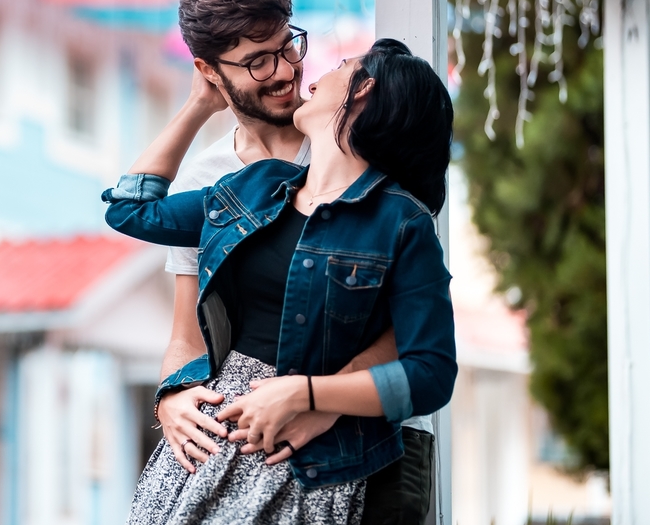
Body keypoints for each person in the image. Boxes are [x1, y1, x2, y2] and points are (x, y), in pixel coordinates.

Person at [102, 32, 457, 524]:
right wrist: (199, 106)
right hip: (203, 452)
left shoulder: (403, 223)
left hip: (307, 462)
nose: (312, 77)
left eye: (340, 67)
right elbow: (129, 212)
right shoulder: (256, 186)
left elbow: (431, 373)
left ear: (363, 91)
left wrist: (306, 395)